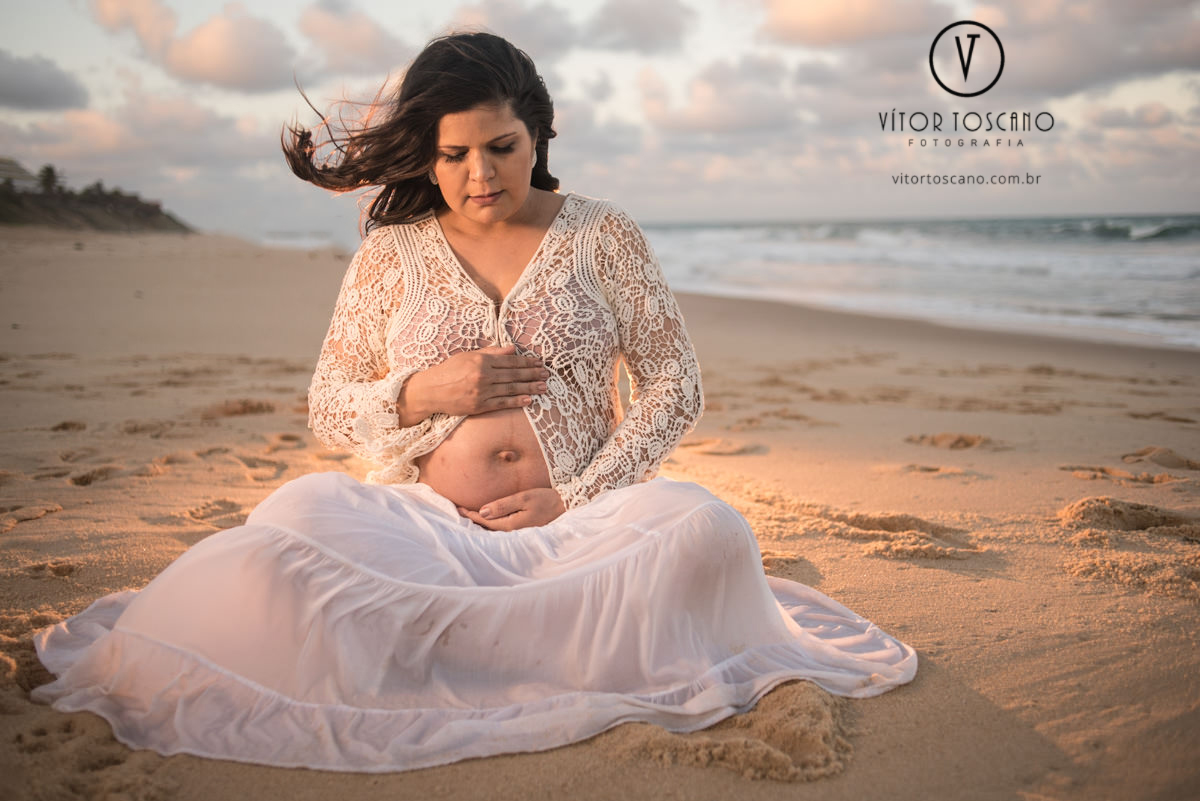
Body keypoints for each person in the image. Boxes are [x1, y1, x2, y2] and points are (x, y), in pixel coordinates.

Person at [32, 32, 916, 772]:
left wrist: (578, 497)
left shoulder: (601, 234)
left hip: (579, 526)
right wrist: (425, 390)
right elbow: (330, 406)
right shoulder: (392, 254)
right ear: (427, 153)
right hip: (426, 528)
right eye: (452, 154)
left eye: (502, 146)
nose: (479, 173)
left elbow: (675, 383)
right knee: (289, 521)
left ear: (540, 135)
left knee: (708, 527)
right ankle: (519, 637)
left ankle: (487, 636)